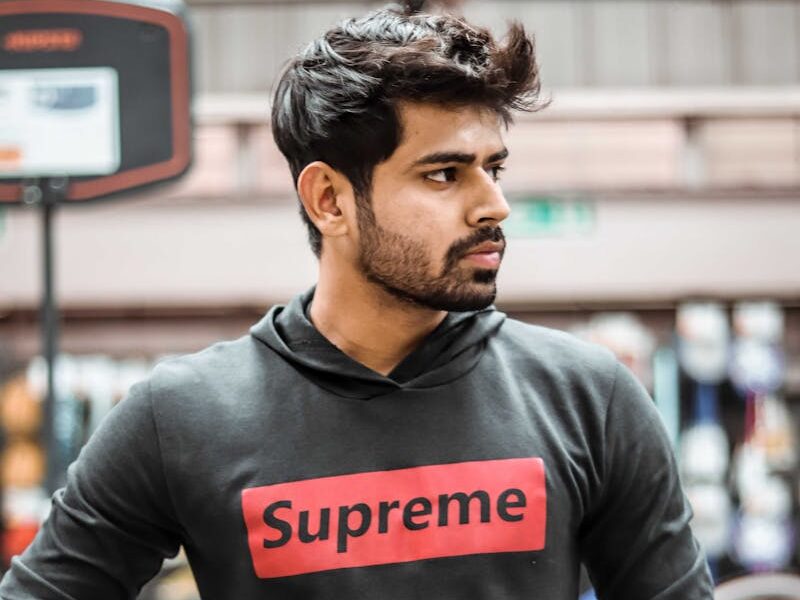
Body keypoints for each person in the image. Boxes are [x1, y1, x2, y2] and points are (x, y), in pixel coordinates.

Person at [0, 2, 714, 598]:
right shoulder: (182, 418)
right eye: (444, 175)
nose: (493, 205)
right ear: (329, 200)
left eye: (494, 168)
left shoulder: (590, 399)